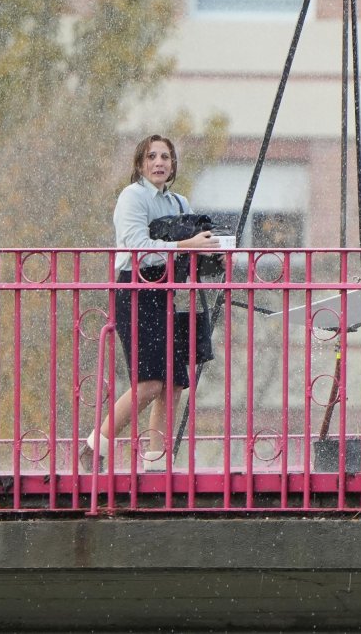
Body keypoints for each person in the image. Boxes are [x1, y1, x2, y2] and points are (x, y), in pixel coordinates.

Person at [80, 134, 219, 472]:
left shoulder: (179, 202)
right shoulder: (133, 197)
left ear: (173, 164)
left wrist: (213, 248)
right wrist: (188, 244)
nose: (159, 162)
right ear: (141, 164)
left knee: (173, 382)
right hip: (136, 289)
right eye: (152, 156)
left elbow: (190, 249)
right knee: (149, 382)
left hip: (170, 290)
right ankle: (94, 446)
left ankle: (157, 462)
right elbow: (140, 250)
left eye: (165, 157)